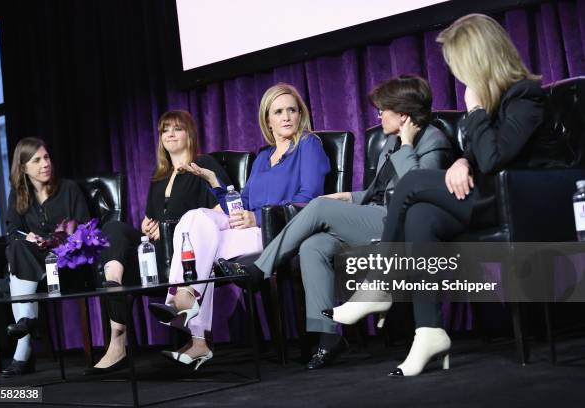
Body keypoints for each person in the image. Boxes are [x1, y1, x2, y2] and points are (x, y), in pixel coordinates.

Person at [331, 13, 567, 377]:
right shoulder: (496, 102)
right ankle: (429, 331)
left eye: (458, 65)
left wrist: (472, 111)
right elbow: (479, 157)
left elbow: (494, 157)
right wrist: (460, 163)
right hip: (491, 197)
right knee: (421, 216)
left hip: (524, 202)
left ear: (477, 58)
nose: (457, 75)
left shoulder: (524, 96)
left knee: (412, 184)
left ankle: (381, 282)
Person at [218, 75, 453, 369]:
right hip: (375, 214)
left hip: (401, 222)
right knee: (313, 246)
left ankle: (259, 270)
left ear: (403, 114)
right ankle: (328, 337)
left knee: (318, 206)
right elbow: (376, 192)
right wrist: (347, 197)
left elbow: (417, 190)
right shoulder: (390, 141)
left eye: (383, 109)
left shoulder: (432, 140)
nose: (378, 115)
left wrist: (406, 146)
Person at [148, 83, 331, 369]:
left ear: (300, 114)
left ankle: (193, 326)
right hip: (248, 231)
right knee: (194, 218)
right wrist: (213, 181)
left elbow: (309, 201)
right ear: (267, 120)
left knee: (200, 242)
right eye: (278, 112)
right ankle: (188, 309)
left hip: (280, 232)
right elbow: (240, 201)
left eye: (291, 110)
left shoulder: (309, 145)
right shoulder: (262, 158)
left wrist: (256, 218)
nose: (286, 117)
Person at [85, 110, 230, 375]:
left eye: (177, 129)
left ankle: (118, 337)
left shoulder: (204, 163)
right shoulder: (159, 176)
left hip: (188, 248)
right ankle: (114, 285)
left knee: (127, 242)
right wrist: (146, 226)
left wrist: (168, 228)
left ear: (190, 134)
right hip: (156, 250)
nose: (171, 134)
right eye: (165, 130)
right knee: (114, 228)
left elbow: (223, 209)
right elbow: (151, 218)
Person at [3, 137, 90, 376]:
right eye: (37, 160)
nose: (45, 164)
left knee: (18, 265)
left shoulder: (69, 189)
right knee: (19, 248)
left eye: (46, 157)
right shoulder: (18, 195)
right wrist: (29, 239)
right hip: (34, 261)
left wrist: (56, 242)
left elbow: (83, 229)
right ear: (24, 168)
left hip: (66, 262)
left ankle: (24, 346)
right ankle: (27, 324)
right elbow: (12, 233)